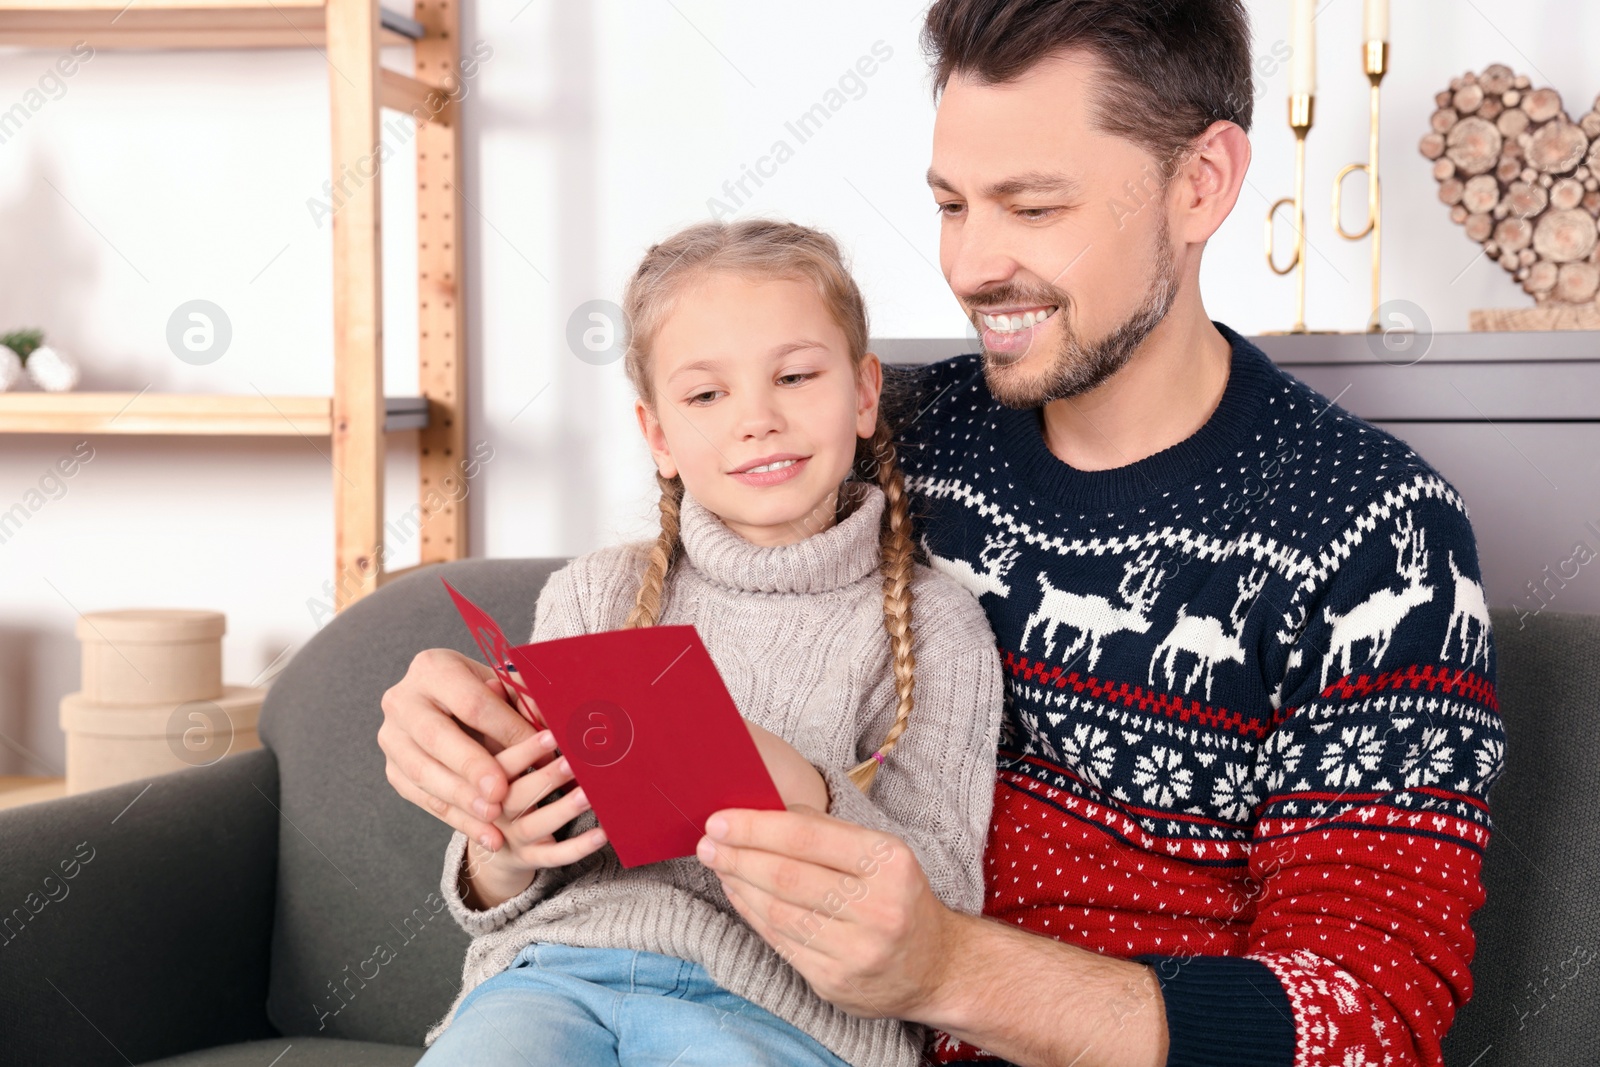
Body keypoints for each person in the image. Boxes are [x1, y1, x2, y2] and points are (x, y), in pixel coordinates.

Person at [384, 3, 1506, 1066]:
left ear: (1199, 182)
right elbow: (663, 609)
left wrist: (948, 967)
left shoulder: (1375, 539)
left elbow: (1368, 1017)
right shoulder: (885, 436)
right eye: (951, 203)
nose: (969, 267)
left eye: (1034, 206)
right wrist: (477, 730)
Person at [406, 218, 1004, 1067]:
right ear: (658, 436)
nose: (757, 419)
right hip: (555, 975)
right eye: (705, 395)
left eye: (795, 375)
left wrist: (804, 786)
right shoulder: (593, 593)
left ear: (864, 394)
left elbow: (944, 906)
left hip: (784, 1011)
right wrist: (503, 846)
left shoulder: (938, 626)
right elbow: (495, 890)